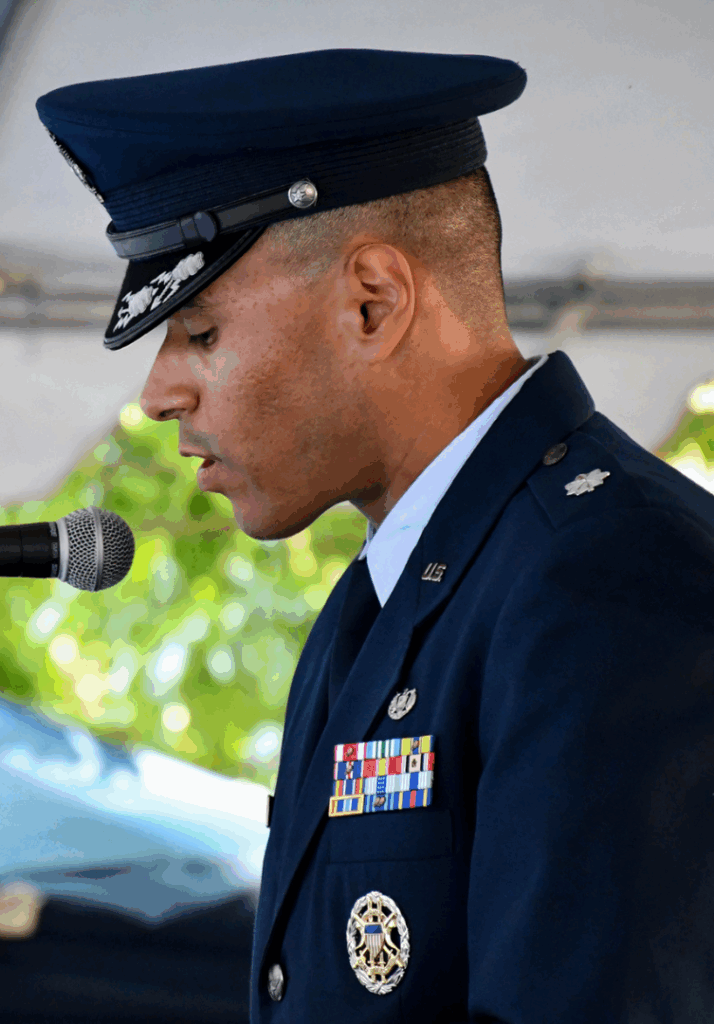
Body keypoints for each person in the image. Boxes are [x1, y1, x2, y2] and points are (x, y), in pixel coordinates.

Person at [37, 49, 714, 1021]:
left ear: (374, 302)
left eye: (201, 332)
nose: (157, 393)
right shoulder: (389, 596)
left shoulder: (608, 575)